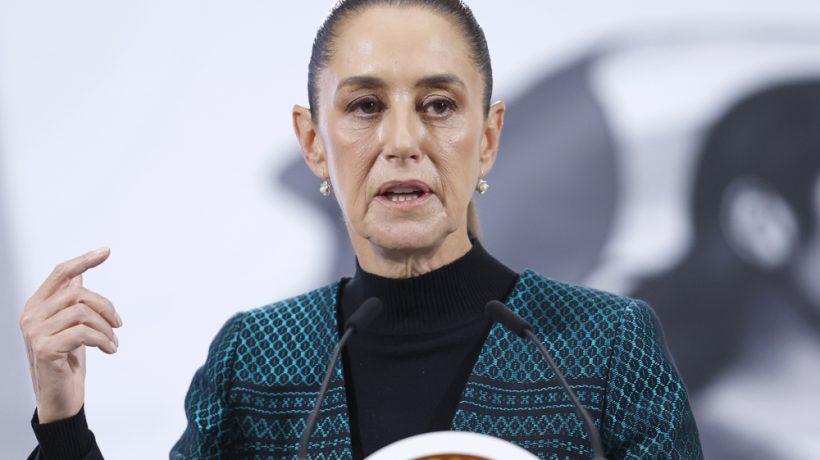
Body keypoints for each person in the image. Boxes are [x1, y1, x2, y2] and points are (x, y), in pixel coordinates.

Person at [19, 1, 702, 458]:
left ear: (489, 138)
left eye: (439, 104)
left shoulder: (605, 346)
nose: (402, 141)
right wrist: (62, 419)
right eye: (366, 106)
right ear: (313, 142)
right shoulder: (255, 360)